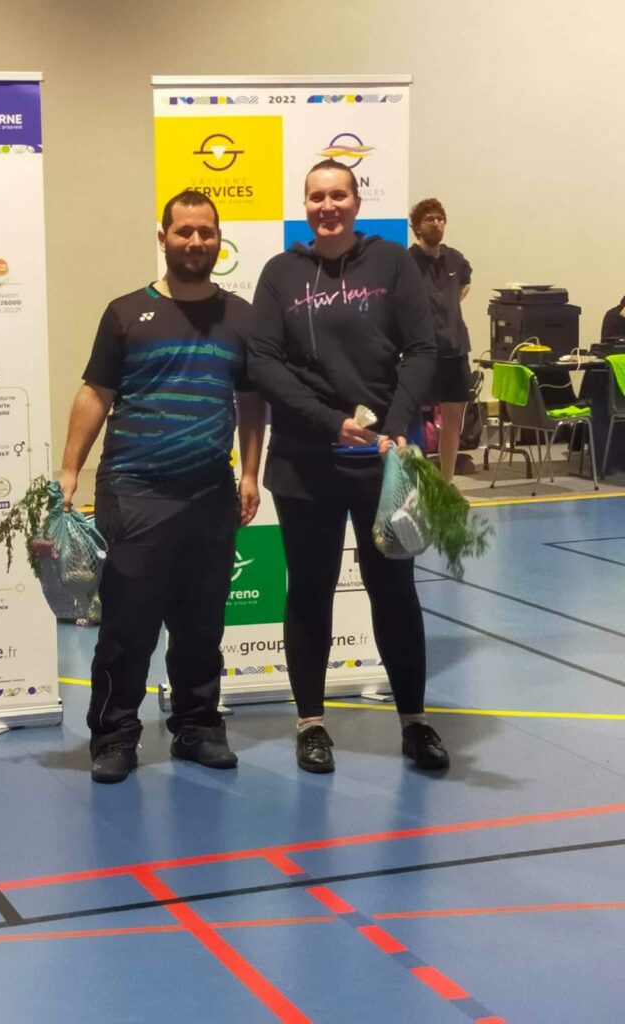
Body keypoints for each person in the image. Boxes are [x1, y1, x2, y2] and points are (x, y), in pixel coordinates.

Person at [247, 159, 449, 774]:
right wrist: (328, 421)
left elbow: (422, 349)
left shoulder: (391, 263)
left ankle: (414, 722)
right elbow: (263, 362)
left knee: (395, 591)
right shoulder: (280, 273)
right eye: (316, 197)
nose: (327, 206)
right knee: (310, 591)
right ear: (305, 206)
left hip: (382, 463)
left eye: (338, 195)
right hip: (305, 461)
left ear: (357, 202)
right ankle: (311, 724)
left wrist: (395, 427)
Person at [59, 189, 266, 783]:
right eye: (184, 231)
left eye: (206, 232)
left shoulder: (242, 317)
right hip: (134, 492)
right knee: (128, 628)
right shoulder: (126, 312)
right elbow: (95, 392)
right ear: (164, 238)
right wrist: (70, 468)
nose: (196, 241)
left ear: (219, 239)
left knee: (201, 625)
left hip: (209, 493)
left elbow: (252, 400)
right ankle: (115, 736)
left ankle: (197, 728)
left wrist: (249, 473)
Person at [409, 198, 473, 482]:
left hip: (455, 350)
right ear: (416, 227)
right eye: (429, 219)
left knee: (452, 422)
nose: (436, 223)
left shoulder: (455, 259)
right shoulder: (407, 261)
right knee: (414, 422)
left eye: (440, 218)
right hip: (423, 353)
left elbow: (465, 284)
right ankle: (417, 481)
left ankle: (446, 482)